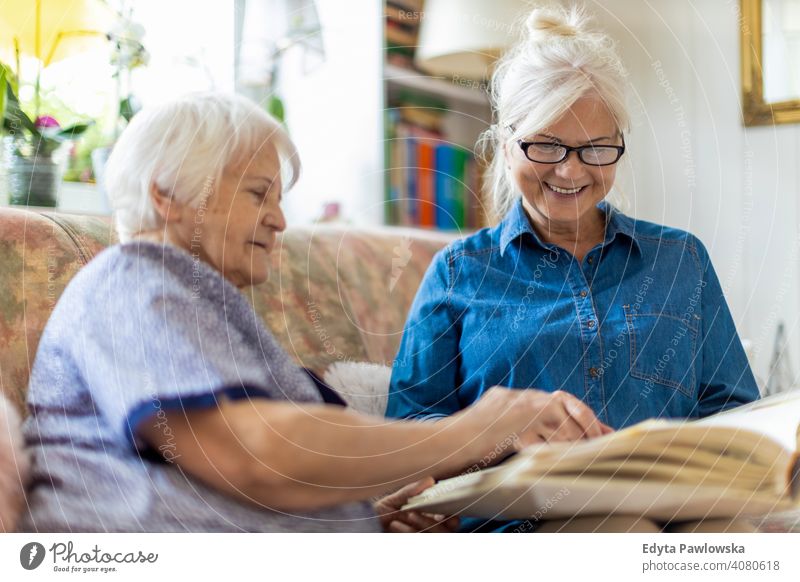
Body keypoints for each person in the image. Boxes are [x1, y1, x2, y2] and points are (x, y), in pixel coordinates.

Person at [21, 92, 577, 533]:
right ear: (166, 193)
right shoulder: (133, 283)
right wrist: (477, 428)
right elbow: (257, 453)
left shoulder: (200, 306)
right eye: (259, 194)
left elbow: (260, 469)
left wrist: (363, 512)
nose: (280, 221)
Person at [386, 6, 760, 532]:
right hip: (523, 527)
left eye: (596, 148)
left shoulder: (682, 261)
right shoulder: (459, 273)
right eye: (546, 144)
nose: (570, 170)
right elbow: (405, 429)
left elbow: (735, 414)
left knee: (735, 541)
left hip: (676, 514)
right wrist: (494, 433)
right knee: (615, 533)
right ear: (506, 139)